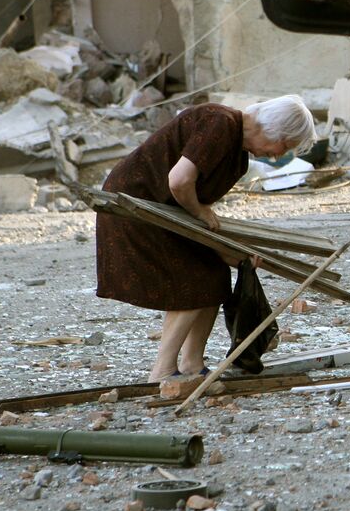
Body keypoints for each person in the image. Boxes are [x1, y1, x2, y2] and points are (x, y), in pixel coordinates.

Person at [96, 95, 316, 381]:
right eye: (283, 147)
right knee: (194, 279)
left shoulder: (237, 154)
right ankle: (163, 370)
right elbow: (179, 182)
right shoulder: (221, 123)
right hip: (135, 206)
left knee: (214, 275)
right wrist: (200, 211)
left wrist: (229, 253)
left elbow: (193, 207)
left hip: (164, 212)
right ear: (271, 130)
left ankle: (191, 364)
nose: (276, 156)